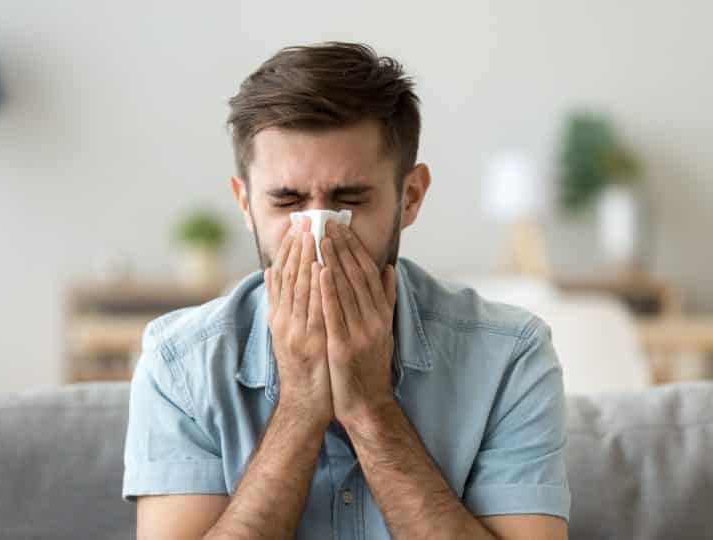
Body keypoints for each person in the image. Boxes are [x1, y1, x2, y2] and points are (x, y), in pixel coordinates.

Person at [122, 41, 571, 539]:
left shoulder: (511, 356)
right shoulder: (179, 366)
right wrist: (298, 407)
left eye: (350, 199)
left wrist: (370, 408)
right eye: (287, 200)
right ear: (245, 203)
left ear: (410, 197)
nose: (318, 233)